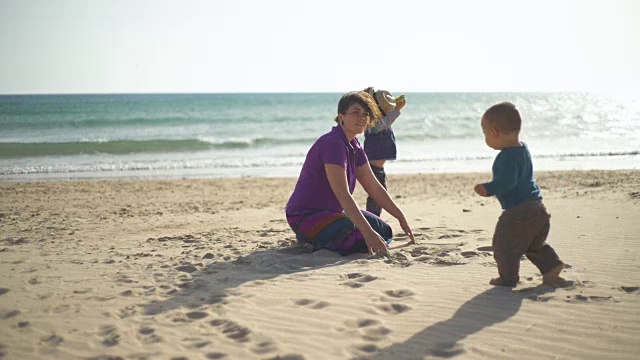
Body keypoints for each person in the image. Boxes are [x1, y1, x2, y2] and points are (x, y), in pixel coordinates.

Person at [285, 91, 415, 256]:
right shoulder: (332, 144)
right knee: (358, 236)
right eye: (355, 112)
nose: (362, 118)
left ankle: (325, 237)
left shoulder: (355, 146)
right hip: (306, 216)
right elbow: (343, 194)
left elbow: (374, 187)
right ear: (341, 117)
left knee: (384, 230)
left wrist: (400, 217)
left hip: (333, 213)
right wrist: (368, 234)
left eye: (365, 114)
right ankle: (310, 240)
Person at [473, 102, 564, 287]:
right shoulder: (523, 149)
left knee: (503, 246)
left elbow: (507, 183)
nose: (485, 138)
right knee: (533, 245)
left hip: (518, 212)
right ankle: (551, 267)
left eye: (484, 133)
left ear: (494, 133)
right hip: (538, 208)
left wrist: (488, 188)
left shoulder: (505, 157)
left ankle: (508, 279)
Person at [362, 87, 406, 216]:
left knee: (378, 194)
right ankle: (373, 218)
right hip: (373, 167)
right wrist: (396, 110)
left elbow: (386, 120)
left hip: (378, 168)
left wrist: (394, 108)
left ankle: (374, 218)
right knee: (377, 194)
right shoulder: (371, 123)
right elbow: (383, 124)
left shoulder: (379, 119)